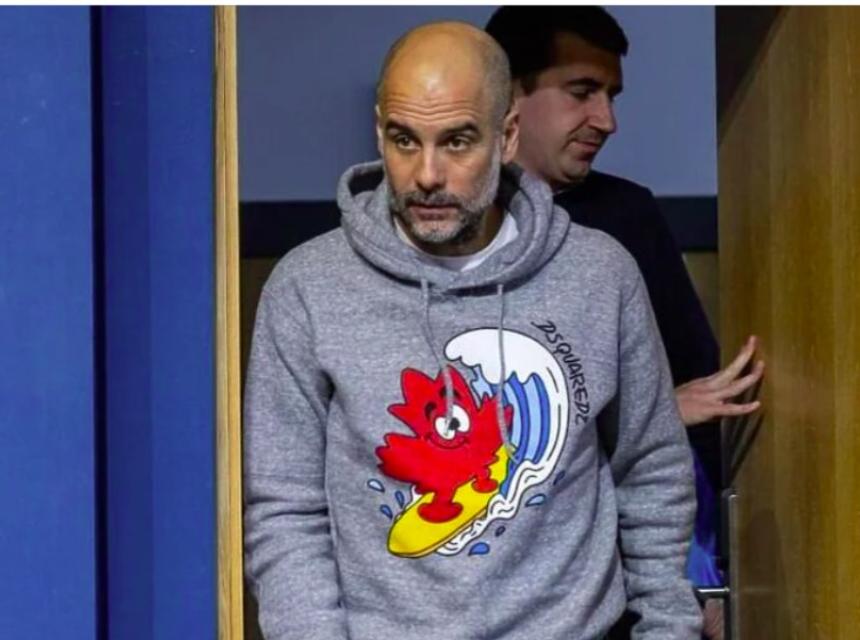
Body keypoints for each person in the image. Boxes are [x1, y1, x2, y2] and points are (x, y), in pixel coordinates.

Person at [244, 21, 702, 640]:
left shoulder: (599, 274)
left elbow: (652, 473)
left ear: (507, 136)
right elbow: (285, 510)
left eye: (457, 142)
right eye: (404, 141)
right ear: (379, 133)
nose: (427, 175)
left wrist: (668, 628)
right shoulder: (309, 286)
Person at [485, 7, 765, 638]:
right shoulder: (445, 230)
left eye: (611, 96)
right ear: (507, 95)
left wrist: (708, 574)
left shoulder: (628, 217)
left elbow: (702, 402)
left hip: (628, 591)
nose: (606, 120)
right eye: (582, 92)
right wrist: (655, 412)